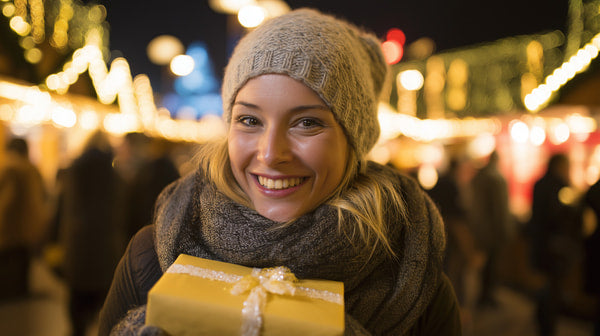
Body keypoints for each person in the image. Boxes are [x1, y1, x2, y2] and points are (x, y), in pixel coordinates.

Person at [99, 8, 461, 335]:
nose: (271, 154)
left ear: (353, 140)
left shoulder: (414, 286)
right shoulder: (150, 257)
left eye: (306, 122)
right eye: (250, 120)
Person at [56, 131, 128, 336]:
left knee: (76, 298)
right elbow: (123, 215)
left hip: (77, 244)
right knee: (103, 303)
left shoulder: (73, 170)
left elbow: (61, 210)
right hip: (105, 249)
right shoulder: (117, 177)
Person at [528, 153, 581, 336]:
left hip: (540, 246)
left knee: (545, 286)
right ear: (560, 166)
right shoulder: (561, 188)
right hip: (555, 249)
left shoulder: (539, 184)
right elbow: (566, 217)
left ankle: (541, 321)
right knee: (552, 290)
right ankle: (547, 327)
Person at [0, 137, 49, 300]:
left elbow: (7, 203)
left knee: (9, 265)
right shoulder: (32, 170)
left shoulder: (8, 169)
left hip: (10, 228)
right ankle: (20, 292)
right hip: (31, 227)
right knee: (22, 265)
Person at [468, 150, 513, 308]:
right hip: (492, 230)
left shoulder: (478, 178)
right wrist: (505, 230)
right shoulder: (497, 178)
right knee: (491, 265)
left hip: (479, 228)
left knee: (484, 265)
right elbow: (500, 209)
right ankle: (488, 296)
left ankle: (483, 295)